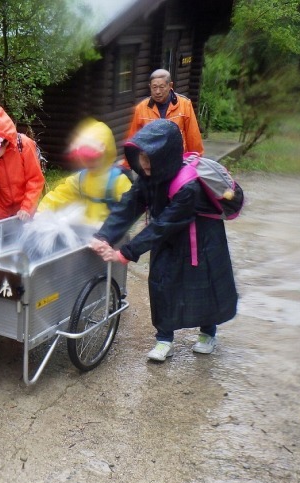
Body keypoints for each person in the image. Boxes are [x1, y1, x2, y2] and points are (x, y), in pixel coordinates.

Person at [90, 119, 237, 362]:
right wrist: (104, 236)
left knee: (203, 283)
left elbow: (163, 224)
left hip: (200, 238)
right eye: (141, 158)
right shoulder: (149, 175)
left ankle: (208, 333)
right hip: (167, 236)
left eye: (149, 159)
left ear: (165, 157)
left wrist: (125, 252)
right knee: (161, 282)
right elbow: (129, 204)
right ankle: (164, 338)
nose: (144, 165)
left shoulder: (188, 185)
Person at [37, 118, 132, 225]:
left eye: (93, 158)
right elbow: (60, 194)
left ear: (106, 153)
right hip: (89, 234)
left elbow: (129, 208)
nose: (89, 163)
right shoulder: (81, 179)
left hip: (112, 235)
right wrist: (42, 209)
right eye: (85, 159)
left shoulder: (118, 181)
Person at [125, 69, 204, 157]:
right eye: (154, 87)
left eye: (162, 87)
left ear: (170, 86)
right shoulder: (141, 108)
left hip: (178, 160)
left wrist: (197, 160)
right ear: (150, 87)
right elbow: (133, 139)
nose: (158, 92)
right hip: (151, 161)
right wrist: (127, 164)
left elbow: (193, 137)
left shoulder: (184, 105)